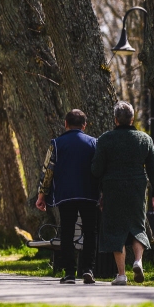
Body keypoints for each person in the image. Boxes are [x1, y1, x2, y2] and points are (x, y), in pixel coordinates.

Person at [92, 101, 154, 286]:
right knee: (137, 226)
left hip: (113, 188)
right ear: (132, 119)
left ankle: (121, 275)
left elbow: (96, 169)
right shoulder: (144, 139)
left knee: (116, 230)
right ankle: (138, 261)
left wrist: (98, 183)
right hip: (137, 188)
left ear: (115, 119)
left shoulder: (105, 139)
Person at [36, 109, 101, 284]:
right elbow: (99, 170)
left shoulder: (56, 144)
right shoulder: (94, 143)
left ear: (65, 124)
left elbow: (48, 171)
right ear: (84, 125)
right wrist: (101, 193)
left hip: (66, 194)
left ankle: (70, 273)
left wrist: (42, 194)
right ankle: (88, 269)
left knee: (67, 232)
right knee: (90, 232)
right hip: (89, 193)